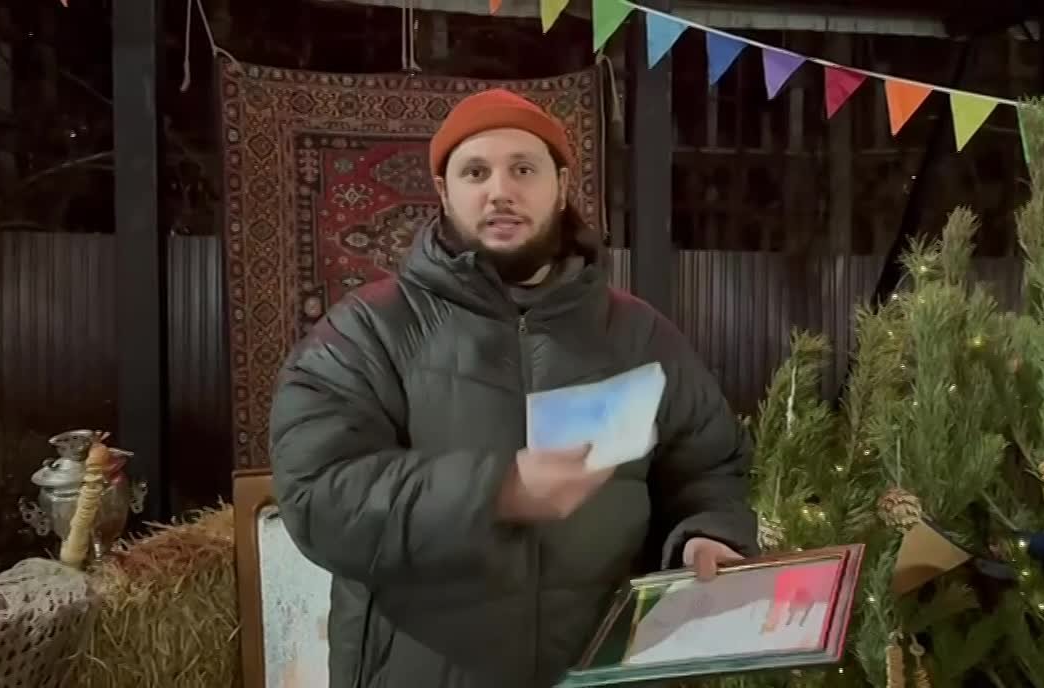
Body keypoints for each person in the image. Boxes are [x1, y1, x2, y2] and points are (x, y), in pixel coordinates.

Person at [268, 88, 758, 688]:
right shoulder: (366, 332)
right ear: (444, 191)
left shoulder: (641, 335)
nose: (500, 190)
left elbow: (708, 469)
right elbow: (318, 496)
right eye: (476, 172)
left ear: (561, 183)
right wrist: (497, 491)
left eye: (522, 169)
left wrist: (705, 534)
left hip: (601, 673)